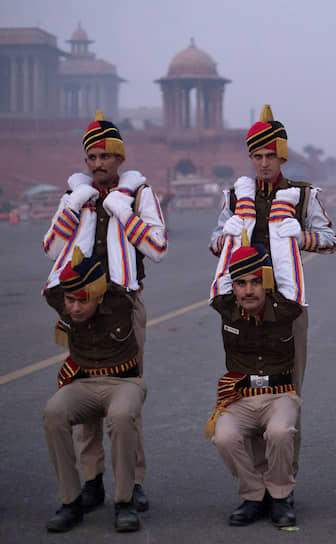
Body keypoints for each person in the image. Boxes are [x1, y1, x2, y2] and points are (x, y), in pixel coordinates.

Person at [42, 111, 167, 515]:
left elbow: (157, 247)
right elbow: (51, 247)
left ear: (119, 159)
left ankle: (133, 481)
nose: (98, 164)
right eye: (91, 157)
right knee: (83, 388)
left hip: (124, 308)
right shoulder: (75, 196)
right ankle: (92, 479)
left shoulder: (139, 193)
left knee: (123, 398)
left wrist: (123, 211)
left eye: (105, 157)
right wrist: (75, 203)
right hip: (79, 306)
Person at [209, 105, 336, 484]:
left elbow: (331, 240)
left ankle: (284, 478)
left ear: (282, 155)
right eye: (257, 156)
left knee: (289, 393)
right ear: (250, 157)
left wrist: (303, 237)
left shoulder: (301, 195)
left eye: (270, 155)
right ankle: (257, 479)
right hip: (243, 304)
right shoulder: (235, 196)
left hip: (287, 305)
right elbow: (216, 245)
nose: (264, 163)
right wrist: (225, 235)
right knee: (246, 388)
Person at [207, 221, 304, 527]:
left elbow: (292, 276)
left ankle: (279, 496)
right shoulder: (226, 308)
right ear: (232, 287)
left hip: (279, 395)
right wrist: (235, 236)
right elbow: (221, 276)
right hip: (242, 396)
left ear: (267, 282)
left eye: (255, 282)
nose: (248, 290)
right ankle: (253, 494)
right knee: (223, 436)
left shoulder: (286, 309)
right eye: (240, 283)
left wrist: (282, 235)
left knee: (280, 432)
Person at [42, 249, 146, 533]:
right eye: (70, 300)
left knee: (122, 415)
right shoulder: (65, 303)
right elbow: (52, 284)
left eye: (83, 301)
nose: (74, 308)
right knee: (53, 413)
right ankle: (71, 501)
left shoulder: (121, 302)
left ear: (100, 295)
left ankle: (125, 501)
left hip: (124, 383)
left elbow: (125, 266)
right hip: (84, 383)